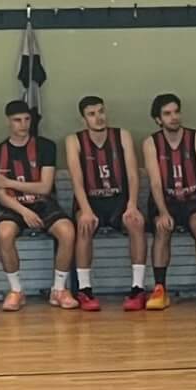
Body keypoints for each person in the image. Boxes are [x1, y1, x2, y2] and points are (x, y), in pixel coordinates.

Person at [0, 99, 79, 310]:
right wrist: (24, 212)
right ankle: (16, 291)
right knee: (4, 232)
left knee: (67, 231)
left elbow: (45, 187)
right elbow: (2, 196)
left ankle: (59, 289)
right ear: (8, 122)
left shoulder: (46, 146)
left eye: (27, 119)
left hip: (43, 204)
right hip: (15, 206)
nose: (23, 124)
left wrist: (9, 182)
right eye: (17, 120)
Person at [65, 95, 149, 312]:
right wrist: (85, 210)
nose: (99, 117)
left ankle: (138, 288)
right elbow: (77, 179)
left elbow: (133, 174)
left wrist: (132, 204)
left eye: (101, 111)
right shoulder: (74, 140)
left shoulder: (122, 136)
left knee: (136, 222)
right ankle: (85, 290)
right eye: (92, 114)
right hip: (91, 200)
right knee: (84, 225)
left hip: (119, 199)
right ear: (83, 119)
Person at [143, 94, 196, 310]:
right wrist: (163, 212)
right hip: (166, 200)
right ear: (158, 119)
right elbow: (155, 182)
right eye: (167, 114)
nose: (174, 117)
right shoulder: (151, 143)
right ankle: (160, 288)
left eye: (176, 112)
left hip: (193, 199)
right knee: (163, 228)